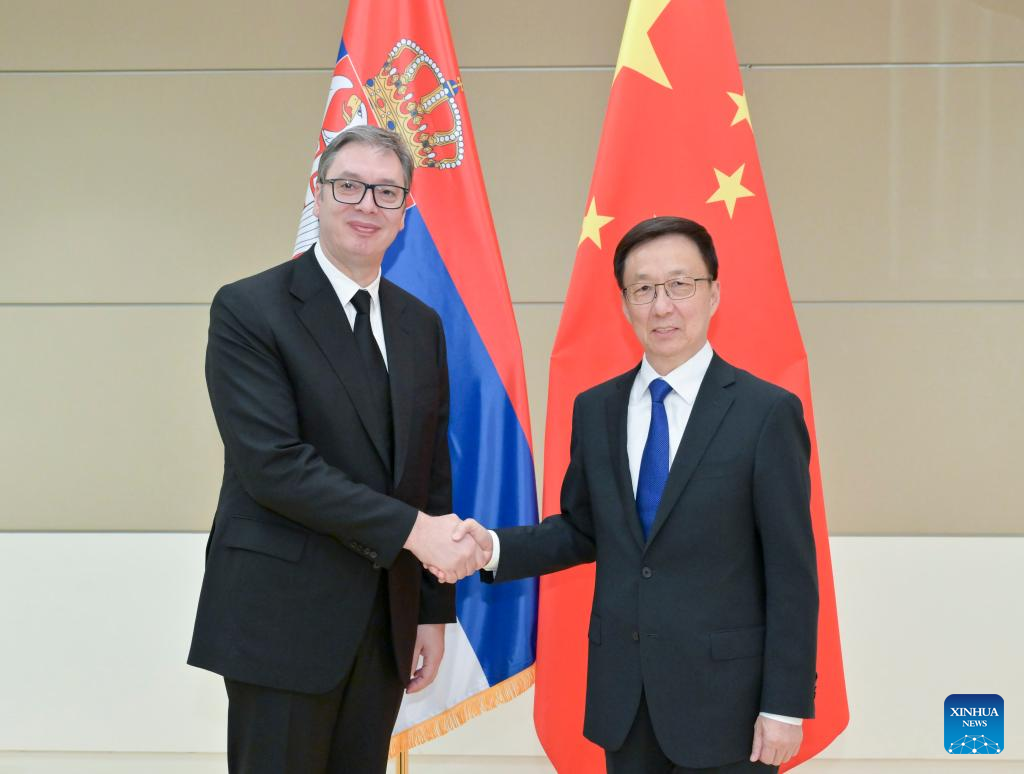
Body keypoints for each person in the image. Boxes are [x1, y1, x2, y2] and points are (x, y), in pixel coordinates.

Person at [452, 216, 818, 773]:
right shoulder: (596, 409)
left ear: (713, 293)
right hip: (626, 699)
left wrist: (785, 704)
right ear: (624, 303)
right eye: (643, 289)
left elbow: (792, 571)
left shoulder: (766, 414)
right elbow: (583, 528)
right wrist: (494, 548)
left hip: (730, 707)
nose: (661, 305)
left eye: (680, 285)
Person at [188, 125, 486, 774]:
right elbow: (274, 466)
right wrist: (414, 532)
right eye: (348, 185)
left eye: (386, 192)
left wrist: (431, 612)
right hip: (280, 619)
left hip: (383, 623)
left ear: (406, 213)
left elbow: (429, 472)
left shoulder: (420, 325)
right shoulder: (249, 309)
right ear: (316, 194)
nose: (366, 205)